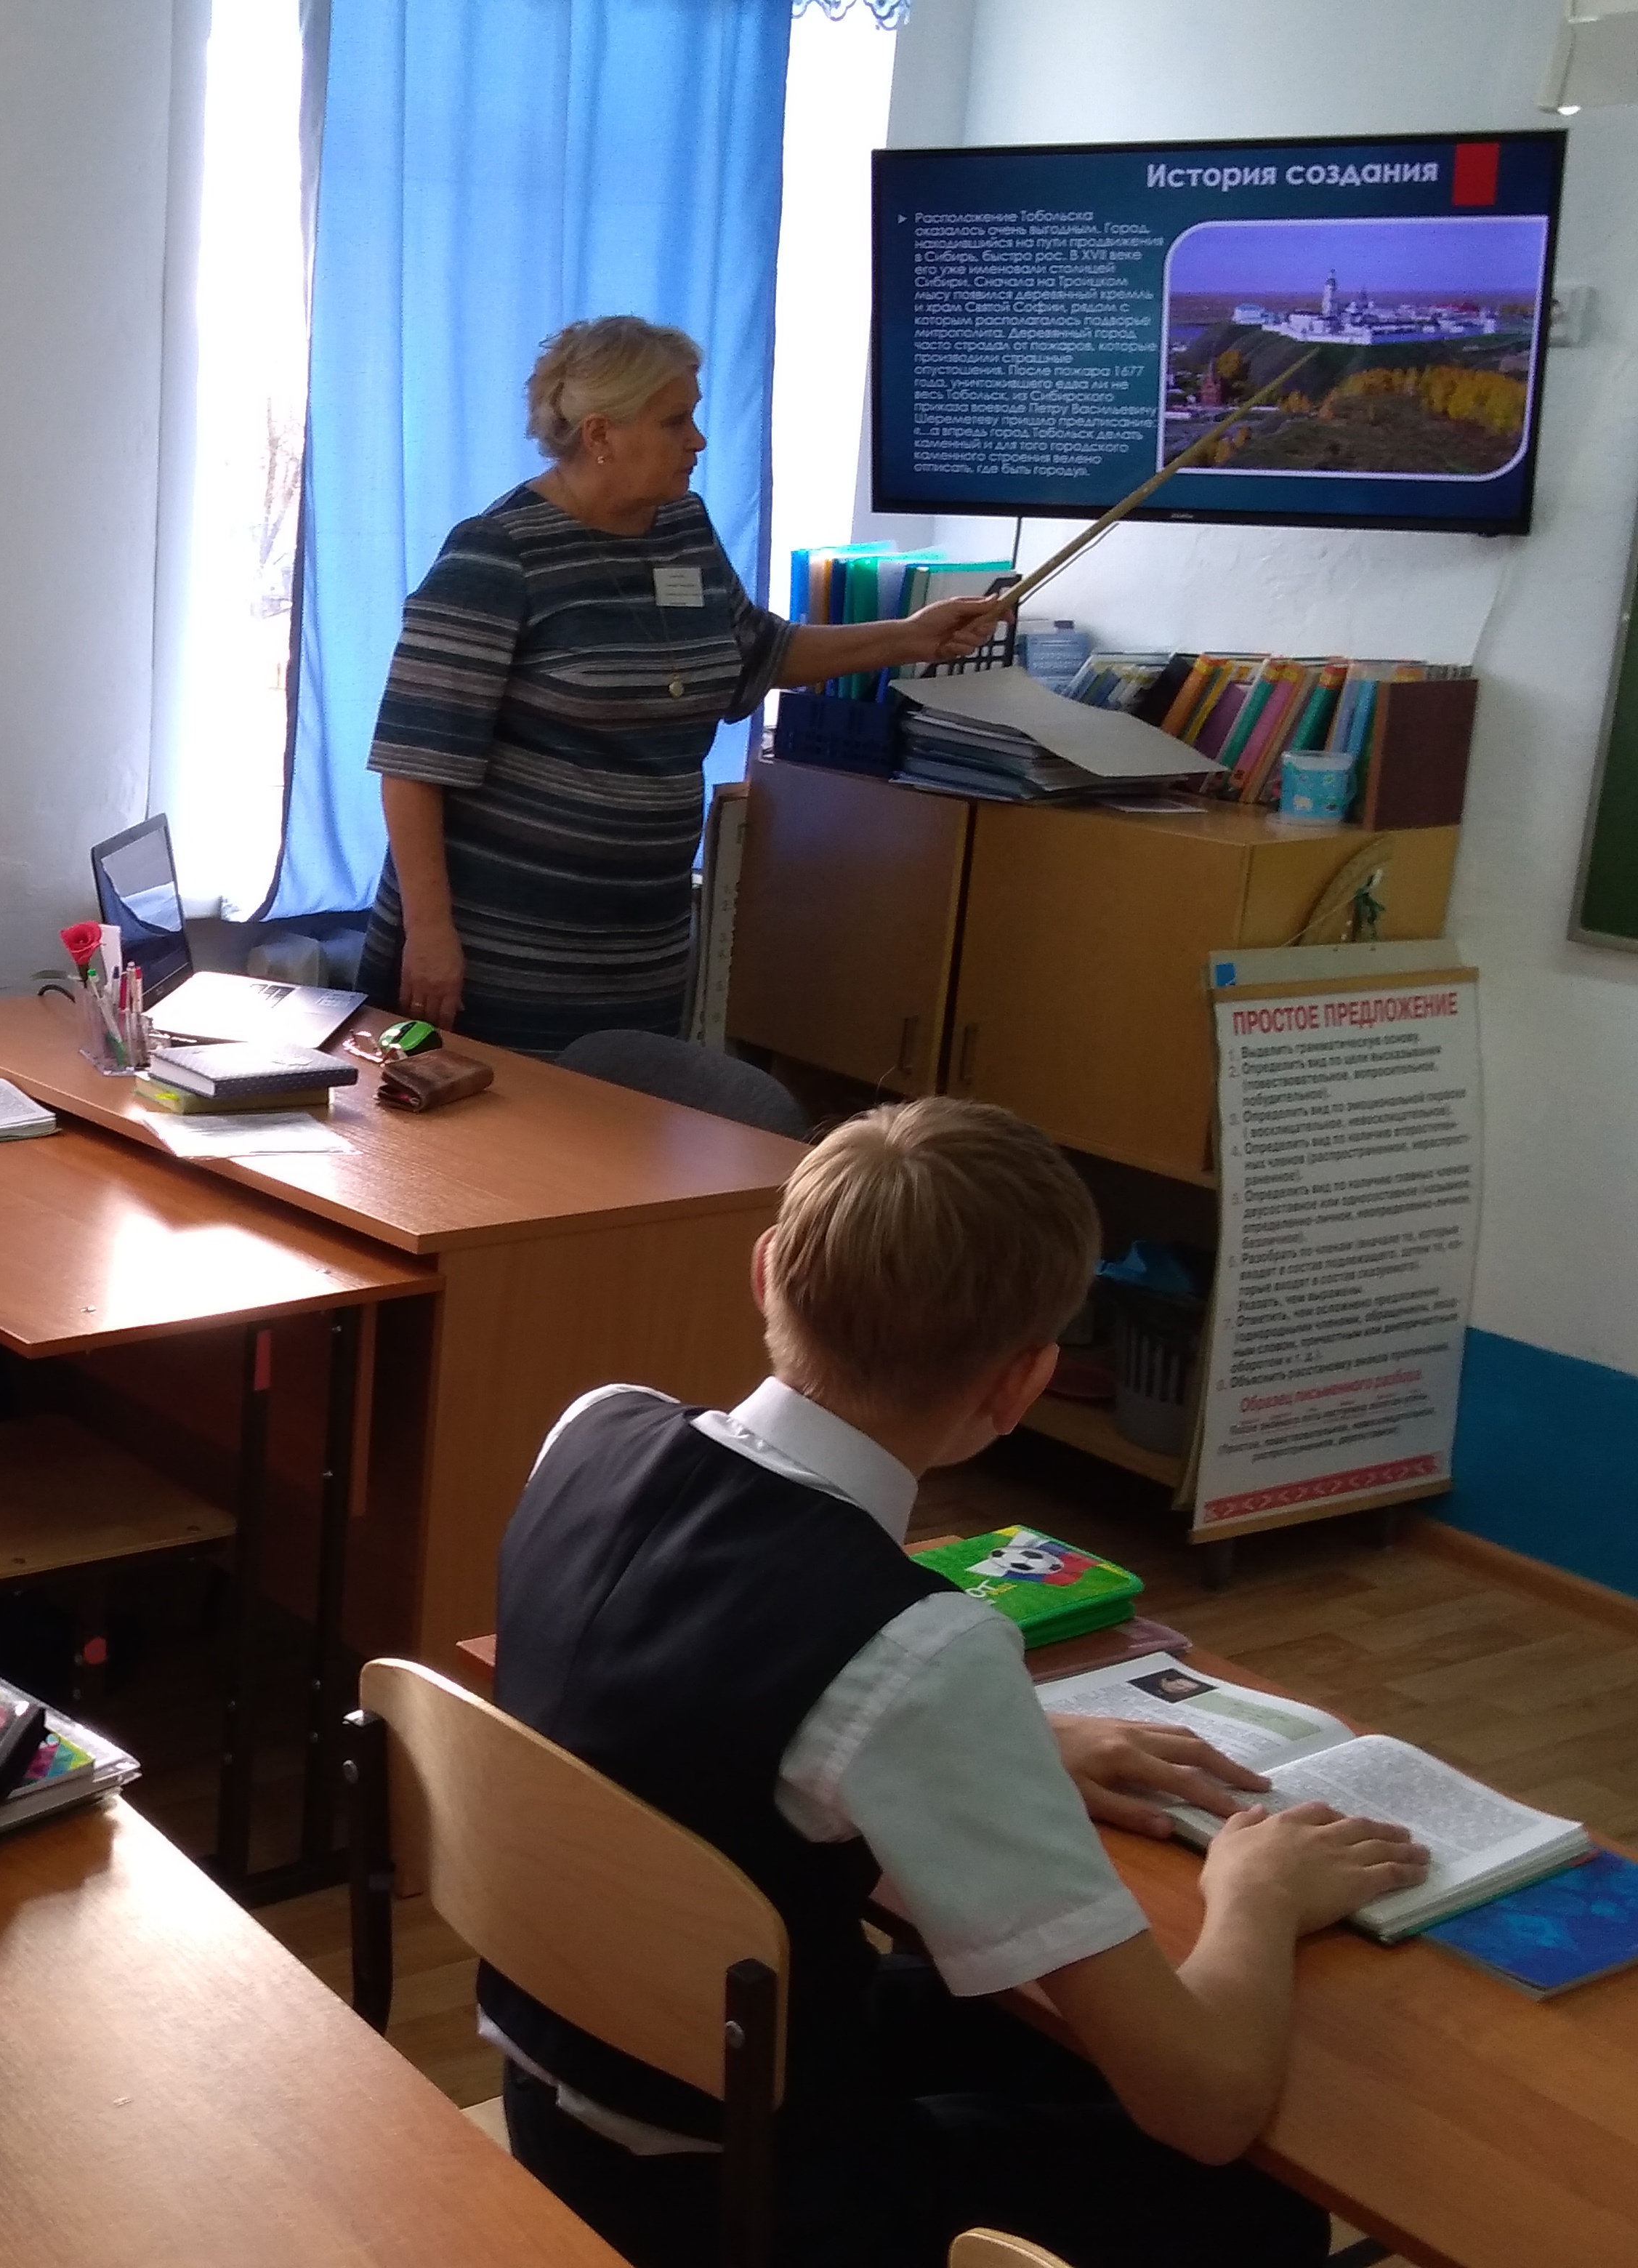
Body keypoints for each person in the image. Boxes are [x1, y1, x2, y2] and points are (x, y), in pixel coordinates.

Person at [485, 1096, 1427, 2268]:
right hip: (745, 2210)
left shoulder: (594, 1427)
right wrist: (1258, 1894)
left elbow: (689, 1702)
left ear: (767, 1271)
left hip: (574, 2095)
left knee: (1029, 2035)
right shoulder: (919, 1649)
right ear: (1023, 1384)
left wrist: (1014, 1743)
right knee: (1249, 2199)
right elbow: (1206, 2104)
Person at [359, 316, 1002, 1054]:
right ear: (600, 434)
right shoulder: (495, 554)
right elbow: (413, 764)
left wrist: (909, 637)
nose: (697, 440)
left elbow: (755, 653)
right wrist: (430, 933)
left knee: (626, 1118)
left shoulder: (682, 528)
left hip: (640, 952)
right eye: (675, 421)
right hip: (500, 953)